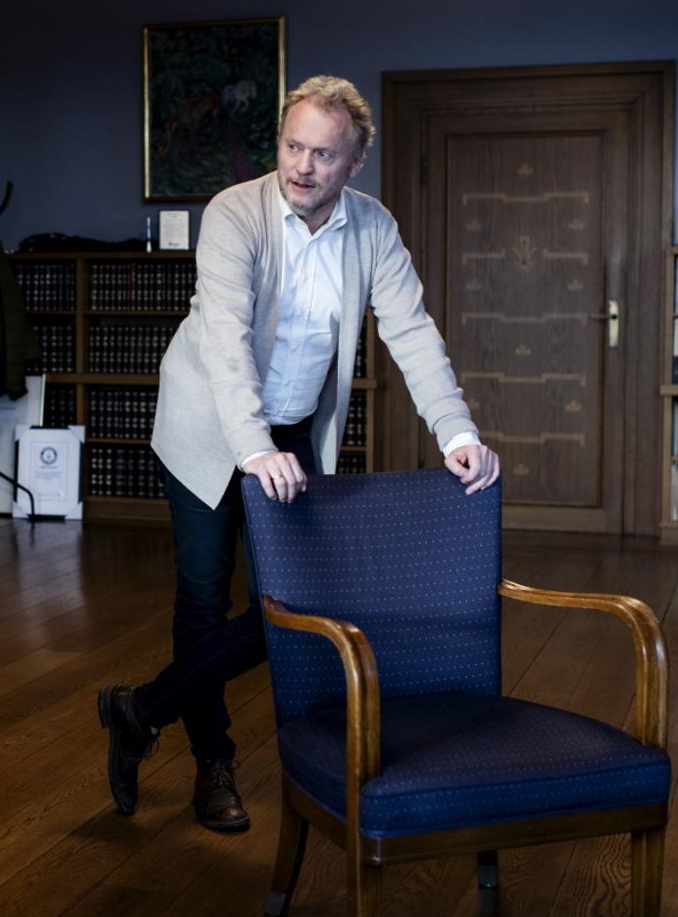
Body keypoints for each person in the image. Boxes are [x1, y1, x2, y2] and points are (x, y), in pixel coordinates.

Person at [97, 75, 501, 833]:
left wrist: (457, 432)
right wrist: (251, 447)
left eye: (323, 154)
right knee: (203, 597)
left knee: (290, 604)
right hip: (208, 424)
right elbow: (224, 338)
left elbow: (411, 331)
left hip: (291, 432)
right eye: (292, 146)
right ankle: (213, 763)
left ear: (354, 163)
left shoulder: (372, 227)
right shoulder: (235, 212)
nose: (302, 167)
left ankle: (140, 709)